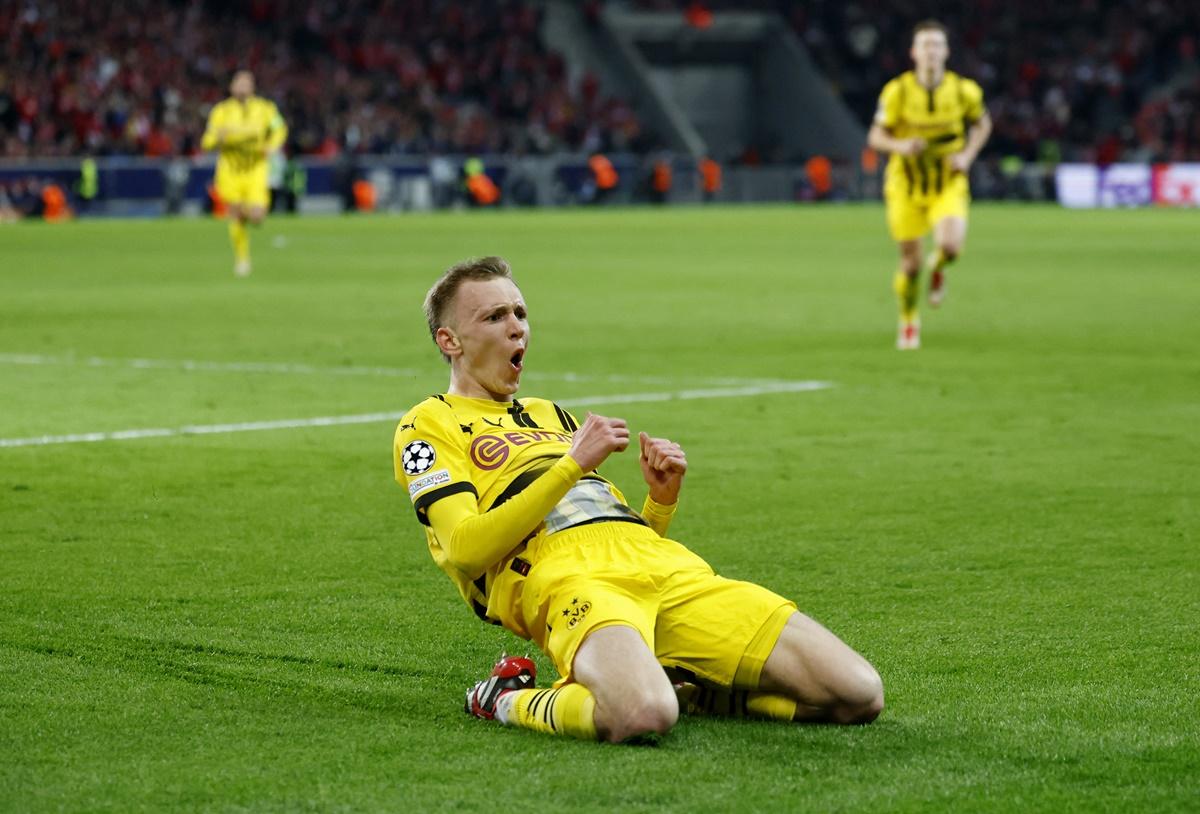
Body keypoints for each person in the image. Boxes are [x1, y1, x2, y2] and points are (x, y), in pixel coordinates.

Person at [392, 257, 884, 744]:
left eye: (520, 312)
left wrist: (660, 503)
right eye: (494, 316)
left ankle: (694, 692)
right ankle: (504, 698)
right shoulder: (430, 422)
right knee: (642, 713)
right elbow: (465, 547)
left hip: (660, 565)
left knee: (858, 693)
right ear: (450, 341)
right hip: (565, 579)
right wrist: (571, 465)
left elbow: (613, 534)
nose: (516, 328)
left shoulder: (550, 414)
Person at [866, 20, 992, 350]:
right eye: (925, 45)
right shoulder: (898, 92)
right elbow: (876, 136)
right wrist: (901, 146)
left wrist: (967, 155)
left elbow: (982, 124)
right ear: (913, 53)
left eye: (937, 45)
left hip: (947, 182)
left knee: (949, 247)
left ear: (946, 52)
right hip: (905, 185)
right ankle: (908, 319)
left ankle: (938, 267)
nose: (931, 51)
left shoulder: (964, 91)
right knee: (909, 264)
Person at [200, 70, 288, 277]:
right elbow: (206, 142)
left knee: (257, 217)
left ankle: (243, 215)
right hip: (230, 172)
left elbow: (280, 128)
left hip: (256, 170)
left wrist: (273, 146)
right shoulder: (221, 112)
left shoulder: (265, 109)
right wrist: (218, 139)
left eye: (246, 83)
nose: (242, 86)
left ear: (253, 86)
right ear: (231, 87)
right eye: (238, 82)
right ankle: (242, 259)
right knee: (236, 217)